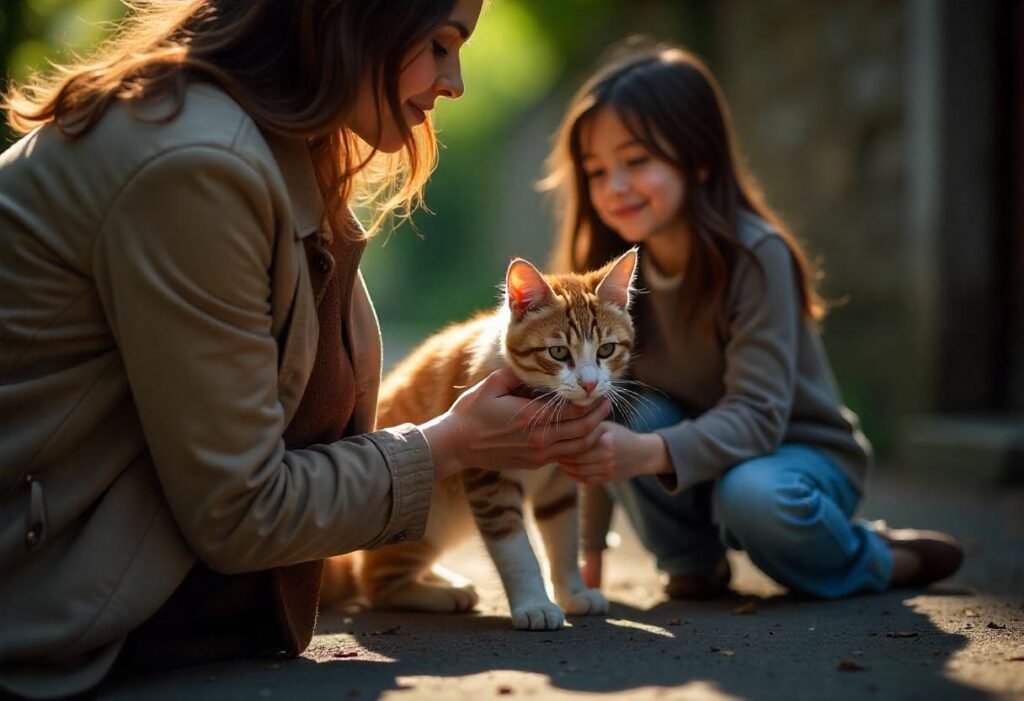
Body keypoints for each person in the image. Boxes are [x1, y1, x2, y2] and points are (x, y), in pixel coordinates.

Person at [0, 2, 611, 698]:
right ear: (350, 20)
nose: (457, 82)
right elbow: (240, 507)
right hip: (50, 610)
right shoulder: (196, 164)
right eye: (441, 44)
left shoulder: (285, 145)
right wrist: (451, 443)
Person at [543, 44, 963, 602]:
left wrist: (643, 454)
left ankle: (874, 556)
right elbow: (595, 422)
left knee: (751, 495)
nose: (614, 185)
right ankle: (691, 561)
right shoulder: (609, 286)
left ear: (700, 159)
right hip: (694, 464)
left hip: (792, 457)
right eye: (596, 171)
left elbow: (760, 417)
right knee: (626, 406)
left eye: (637, 161)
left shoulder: (755, 256)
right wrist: (588, 558)